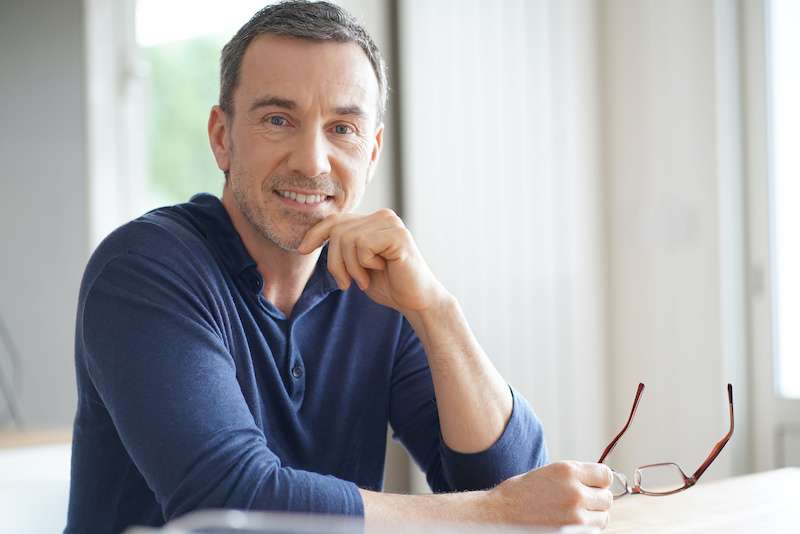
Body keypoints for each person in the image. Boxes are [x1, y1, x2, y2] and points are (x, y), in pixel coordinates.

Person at [65, 2, 613, 532]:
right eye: (278, 119)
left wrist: (436, 311)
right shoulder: (143, 269)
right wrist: (495, 513)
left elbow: (509, 481)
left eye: (342, 128)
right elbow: (232, 504)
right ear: (221, 137)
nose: (311, 161)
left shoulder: (376, 282)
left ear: (372, 152)